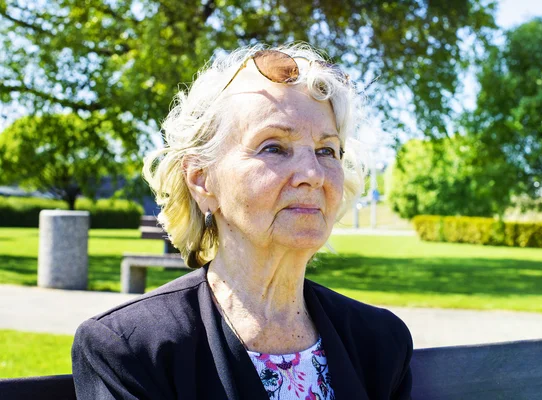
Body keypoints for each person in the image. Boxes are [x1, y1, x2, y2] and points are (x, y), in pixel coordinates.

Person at [71, 43, 413, 399]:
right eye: (274, 147)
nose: (313, 173)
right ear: (202, 180)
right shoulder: (133, 348)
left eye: (326, 150)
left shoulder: (381, 342)